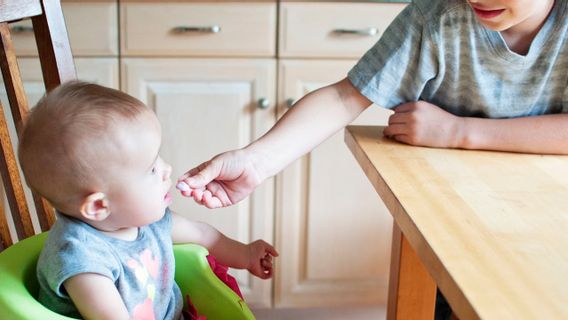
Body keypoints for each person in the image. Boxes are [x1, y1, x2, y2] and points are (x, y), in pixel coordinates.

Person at [175, 0, 566, 318]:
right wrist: (256, 161)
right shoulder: (436, 17)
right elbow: (347, 96)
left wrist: (458, 131)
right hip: (451, 220)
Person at [18, 81, 278, 320]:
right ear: (99, 206)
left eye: (158, 158)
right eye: (151, 169)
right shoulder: (83, 260)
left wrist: (246, 254)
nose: (167, 168)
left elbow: (202, 234)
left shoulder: (145, 220)